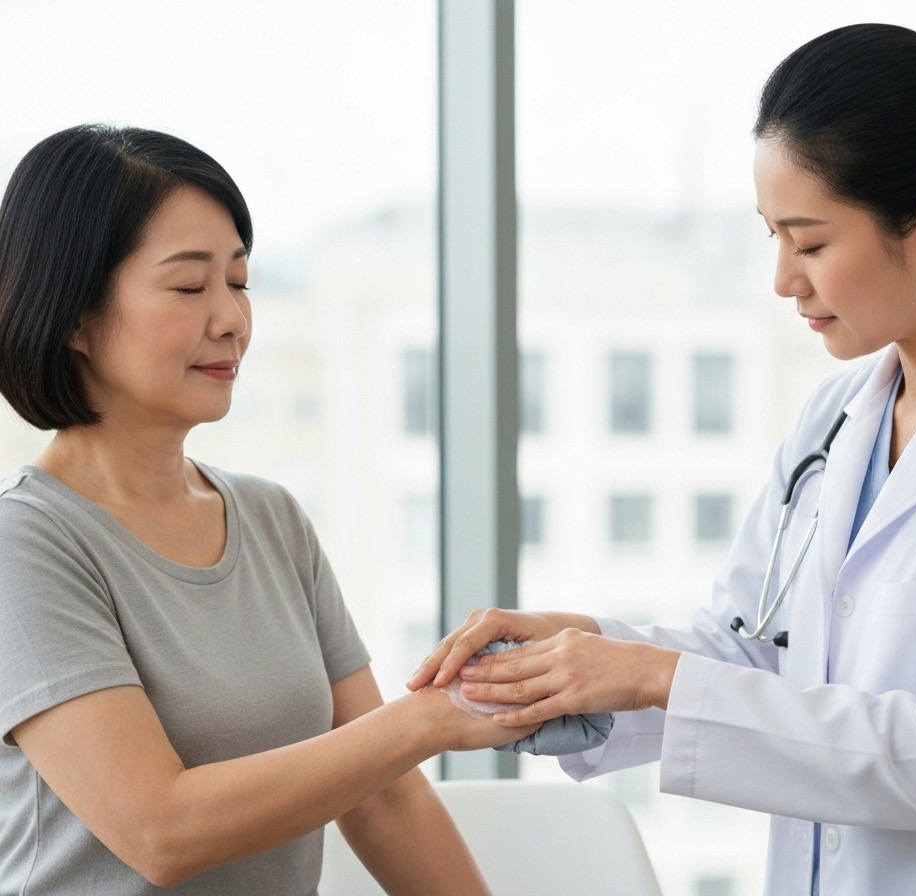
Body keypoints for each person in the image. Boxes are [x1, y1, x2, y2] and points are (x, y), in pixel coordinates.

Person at [412, 22, 916, 896]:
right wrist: (586, 664)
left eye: (809, 243)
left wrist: (653, 677)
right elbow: (756, 652)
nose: (782, 278)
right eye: (773, 237)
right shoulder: (836, 418)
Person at [0, 124, 537, 895]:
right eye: (190, 286)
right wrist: (427, 719)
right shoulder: (25, 544)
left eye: (240, 281)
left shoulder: (271, 519)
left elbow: (383, 796)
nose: (231, 320)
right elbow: (161, 830)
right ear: (76, 315)